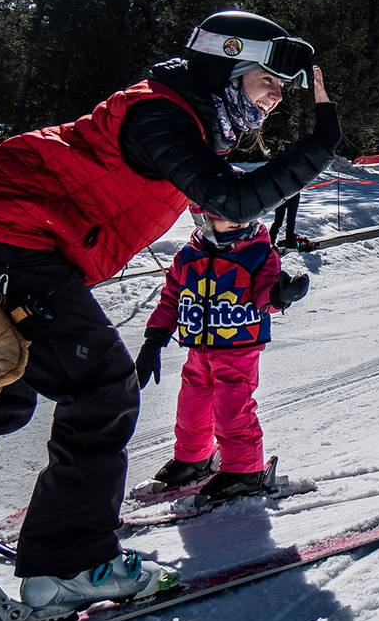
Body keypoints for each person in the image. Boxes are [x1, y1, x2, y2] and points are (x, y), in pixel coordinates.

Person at [0, 10, 340, 621]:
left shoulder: (179, 119)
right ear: (225, 66)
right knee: (103, 391)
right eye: (267, 79)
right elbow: (234, 200)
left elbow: (222, 197)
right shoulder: (163, 114)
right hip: (6, 238)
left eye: (281, 87)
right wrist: (321, 144)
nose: (276, 96)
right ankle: (70, 567)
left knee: (5, 384)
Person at [133, 207, 310, 503]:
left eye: (245, 213)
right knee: (191, 407)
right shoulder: (188, 255)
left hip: (238, 350)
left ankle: (244, 471)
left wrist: (280, 296)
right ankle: (195, 459)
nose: (239, 220)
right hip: (200, 350)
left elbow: (264, 294)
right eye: (228, 214)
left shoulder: (259, 253)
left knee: (232, 410)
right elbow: (171, 299)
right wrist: (154, 340)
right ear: (205, 217)